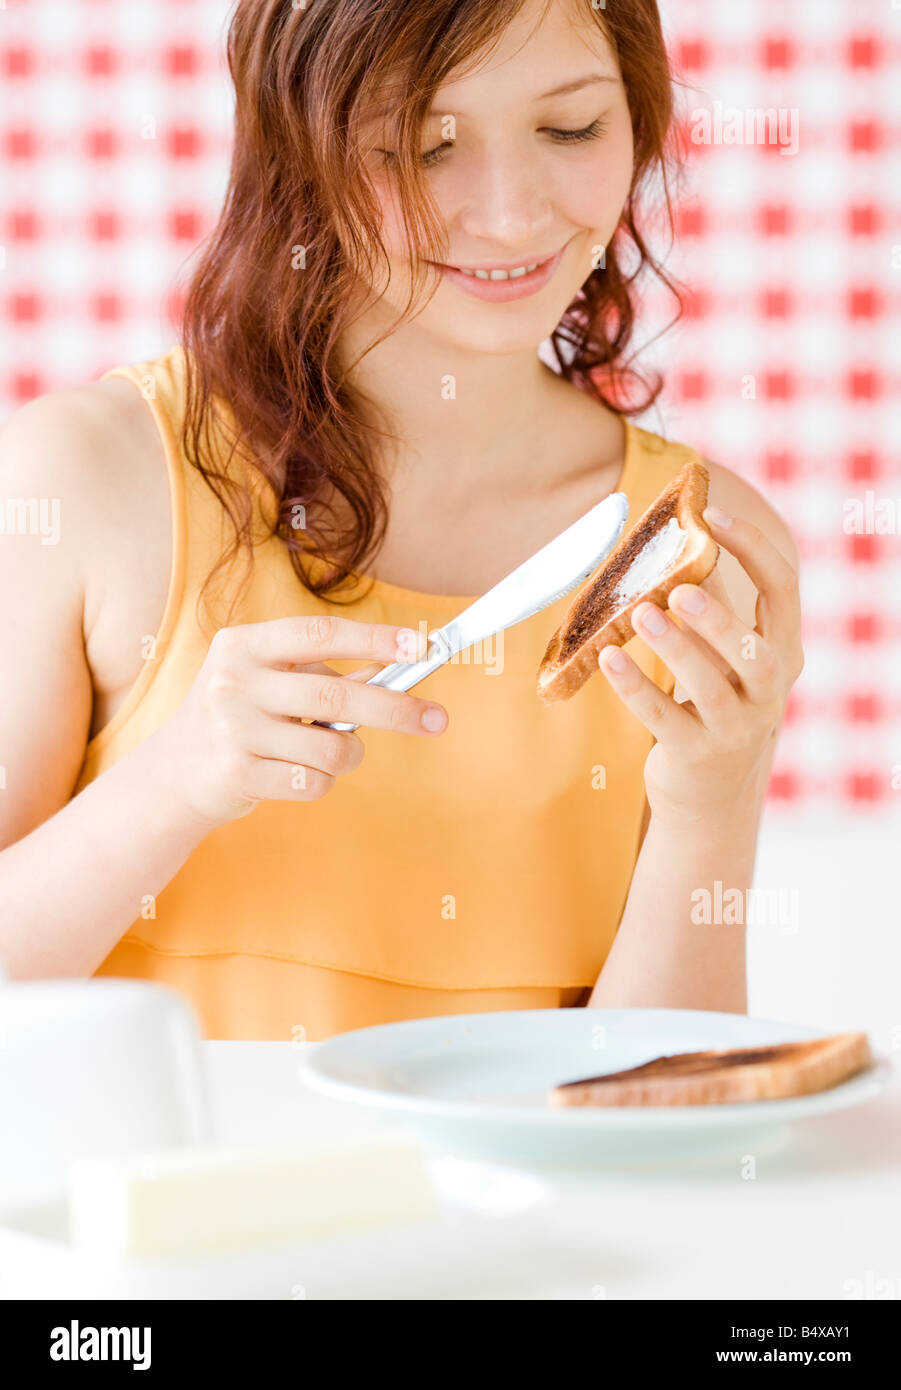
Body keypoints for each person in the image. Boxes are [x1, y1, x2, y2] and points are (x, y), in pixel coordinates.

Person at [0, 0, 802, 1039]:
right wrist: (175, 782)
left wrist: (714, 797)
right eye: (424, 146)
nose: (512, 216)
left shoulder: (695, 546)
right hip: (158, 1202)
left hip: (532, 1209)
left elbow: (655, 1113)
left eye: (571, 129)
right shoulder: (88, 478)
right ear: (299, 149)